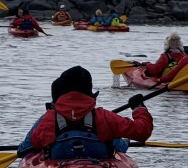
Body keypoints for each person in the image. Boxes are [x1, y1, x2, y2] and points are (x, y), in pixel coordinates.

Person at [17, 66, 151, 160]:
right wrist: (138, 108)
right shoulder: (104, 117)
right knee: (112, 140)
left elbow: (23, 150)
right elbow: (142, 131)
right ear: (89, 93)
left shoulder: (47, 120)